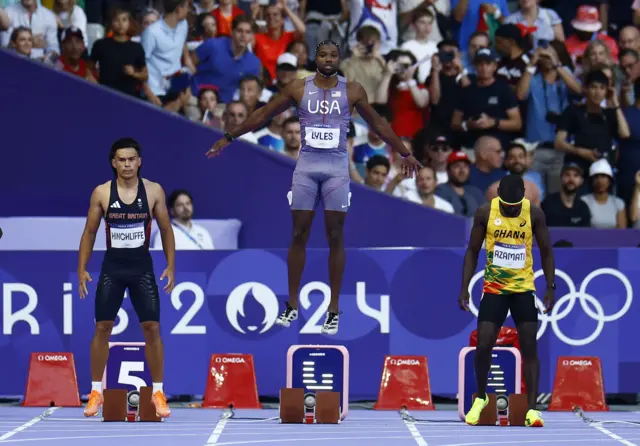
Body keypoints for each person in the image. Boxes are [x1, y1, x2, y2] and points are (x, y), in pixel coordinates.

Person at [207, 40, 422, 335]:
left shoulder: (353, 90)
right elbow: (263, 114)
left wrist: (405, 152)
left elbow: (379, 125)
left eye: (334, 55)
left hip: (336, 168)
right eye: (323, 54)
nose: (329, 59)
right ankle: (292, 304)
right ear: (316, 57)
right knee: (299, 233)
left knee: (335, 235)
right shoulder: (298, 88)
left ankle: (333, 309)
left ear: (339, 59)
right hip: (306, 167)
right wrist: (228, 137)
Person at [77, 138, 176, 418]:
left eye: (131, 159)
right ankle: (96, 391)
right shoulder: (102, 193)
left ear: (140, 161)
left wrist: (171, 266)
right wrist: (81, 268)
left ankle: (158, 392)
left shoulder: (154, 191)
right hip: (113, 268)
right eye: (121, 160)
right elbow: (90, 232)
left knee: (153, 329)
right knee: (102, 328)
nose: (127, 164)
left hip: (142, 267)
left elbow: (167, 229)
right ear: (113, 163)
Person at [458, 174, 555, 427]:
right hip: (494, 289)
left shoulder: (534, 214)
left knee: (529, 347)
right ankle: (481, 398)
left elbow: (546, 251)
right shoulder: (484, 212)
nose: (511, 210)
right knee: (484, 344)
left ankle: (532, 410)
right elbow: (472, 251)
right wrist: (464, 288)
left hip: (523, 289)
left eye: (514, 206)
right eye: (506, 205)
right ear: (497, 193)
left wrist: (550, 288)